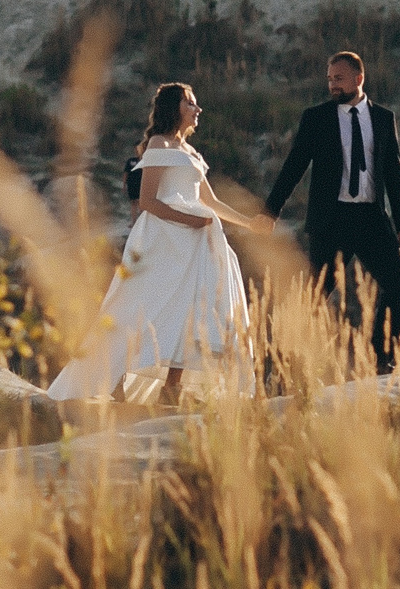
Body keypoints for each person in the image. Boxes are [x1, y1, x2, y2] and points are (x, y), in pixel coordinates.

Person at [48, 82, 265, 406]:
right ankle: (111, 377)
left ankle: (172, 385)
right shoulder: (158, 143)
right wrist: (191, 220)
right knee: (141, 304)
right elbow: (148, 201)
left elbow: (210, 201)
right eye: (190, 103)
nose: (197, 109)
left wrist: (249, 223)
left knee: (194, 307)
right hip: (164, 237)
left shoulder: (190, 152)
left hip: (197, 241)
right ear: (173, 108)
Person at [264, 50, 400, 369]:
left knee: (399, 283)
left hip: (372, 219)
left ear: (359, 79)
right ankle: (289, 362)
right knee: (314, 295)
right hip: (332, 222)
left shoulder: (383, 118)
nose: (333, 85)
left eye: (339, 79)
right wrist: (270, 210)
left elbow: (393, 172)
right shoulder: (317, 117)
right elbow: (294, 166)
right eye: (330, 79)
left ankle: (383, 358)